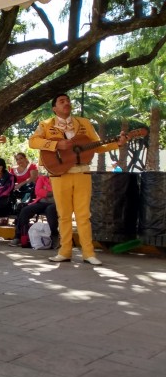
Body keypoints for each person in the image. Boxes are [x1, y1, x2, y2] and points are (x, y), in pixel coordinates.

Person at [29, 93, 126, 265]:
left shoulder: (84, 123)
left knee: (83, 215)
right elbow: (33, 142)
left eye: (67, 101)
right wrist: (56, 144)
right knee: (64, 215)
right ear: (54, 108)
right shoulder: (46, 125)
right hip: (59, 174)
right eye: (61, 101)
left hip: (82, 173)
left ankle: (88, 253)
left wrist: (116, 143)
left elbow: (97, 145)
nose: (66, 103)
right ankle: (64, 251)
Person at [9, 172, 59, 247]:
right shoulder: (42, 178)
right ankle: (20, 236)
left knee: (50, 210)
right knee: (25, 210)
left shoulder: (60, 179)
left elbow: (60, 192)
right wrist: (52, 193)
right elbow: (38, 191)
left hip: (56, 204)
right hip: (41, 202)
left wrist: (46, 192)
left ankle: (55, 236)